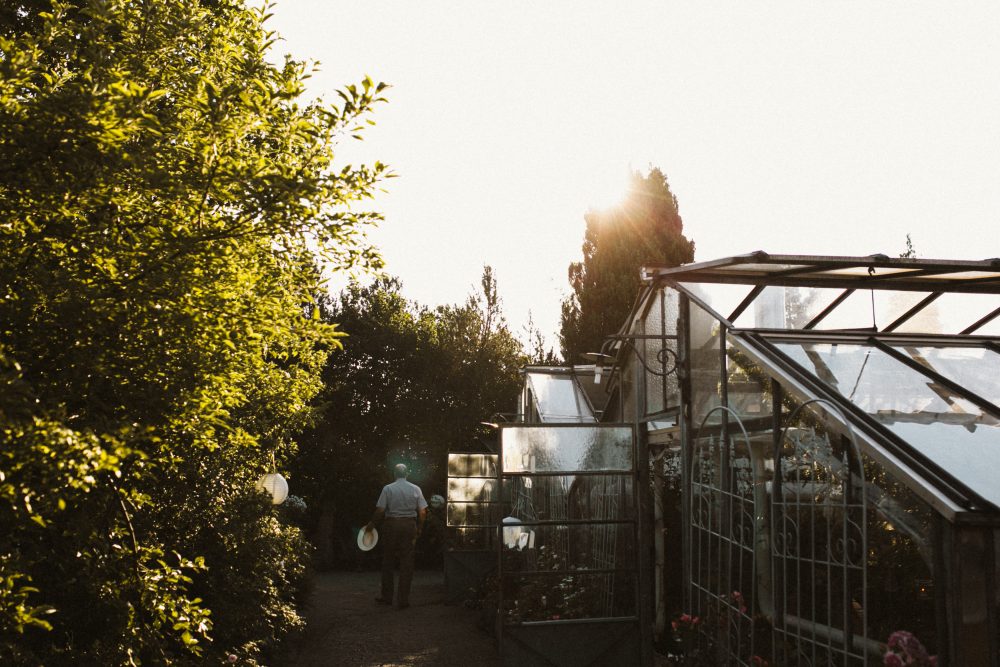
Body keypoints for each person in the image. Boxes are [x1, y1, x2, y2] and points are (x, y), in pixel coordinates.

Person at [364, 463, 427, 609]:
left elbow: (380, 510)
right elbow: (423, 512)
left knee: (388, 560)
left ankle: (387, 597)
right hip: (409, 525)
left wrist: (372, 524)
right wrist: (419, 528)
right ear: (407, 474)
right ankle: (403, 600)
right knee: (407, 563)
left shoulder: (388, 488)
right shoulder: (416, 488)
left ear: (394, 473)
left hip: (391, 525)